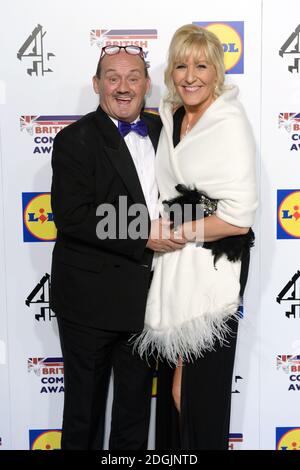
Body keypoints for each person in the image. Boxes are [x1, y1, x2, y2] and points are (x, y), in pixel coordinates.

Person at [50, 45, 186, 450]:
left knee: (134, 413)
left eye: (133, 78)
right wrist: (144, 231)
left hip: (147, 301)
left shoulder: (165, 132)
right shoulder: (74, 140)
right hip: (89, 304)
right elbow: (73, 215)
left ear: (147, 84)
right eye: (113, 78)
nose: (123, 87)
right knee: (84, 413)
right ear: (97, 84)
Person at [134, 25, 258, 450]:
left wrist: (180, 233)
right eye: (182, 65)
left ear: (216, 72)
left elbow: (240, 218)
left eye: (201, 65)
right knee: (175, 389)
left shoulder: (229, 121)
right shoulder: (173, 117)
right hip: (176, 265)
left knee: (198, 392)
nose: (190, 75)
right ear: (171, 71)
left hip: (214, 263)